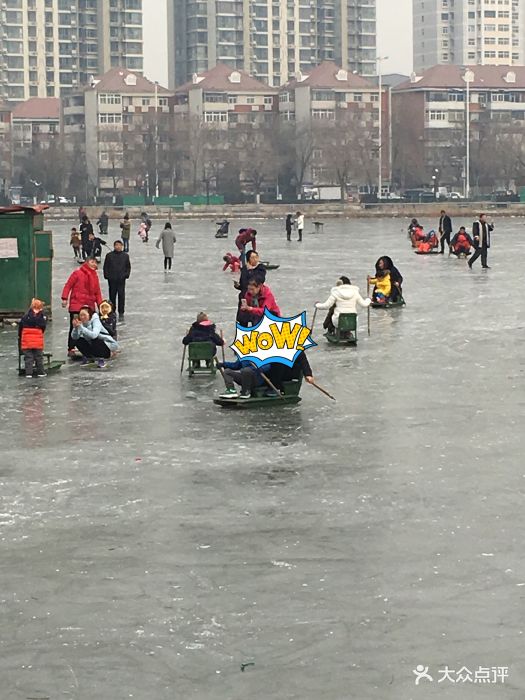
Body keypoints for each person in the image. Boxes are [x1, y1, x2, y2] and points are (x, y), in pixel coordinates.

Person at [61, 258, 103, 355]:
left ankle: (87, 347)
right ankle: (71, 347)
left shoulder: (95, 276)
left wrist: (101, 305)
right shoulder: (77, 273)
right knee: (75, 326)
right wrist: (64, 298)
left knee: (89, 327)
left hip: (89, 306)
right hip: (77, 305)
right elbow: (68, 285)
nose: (94, 264)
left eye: (95, 262)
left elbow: (97, 292)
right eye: (92, 262)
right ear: (87, 263)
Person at [103, 240, 131, 323]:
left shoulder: (125, 256)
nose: (118, 247)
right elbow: (106, 266)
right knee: (112, 296)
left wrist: (126, 275)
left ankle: (121, 311)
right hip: (112, 279)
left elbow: (128, 267)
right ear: (114, 246)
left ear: (122, 246)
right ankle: (112, 310)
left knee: (121, 296)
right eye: (116, 245)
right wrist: (107, 276)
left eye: (119, 245)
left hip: (121, 280)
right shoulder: (109, 256)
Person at [18, 298, 47, 378]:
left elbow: (20, 327)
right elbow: (43, 327)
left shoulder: (26, 316)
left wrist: (20, 336)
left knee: (28, 357)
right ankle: (40, 372)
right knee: (39, 357)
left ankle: (28, 373)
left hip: (26, 340)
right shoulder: (41, 317)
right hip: (37, 340)